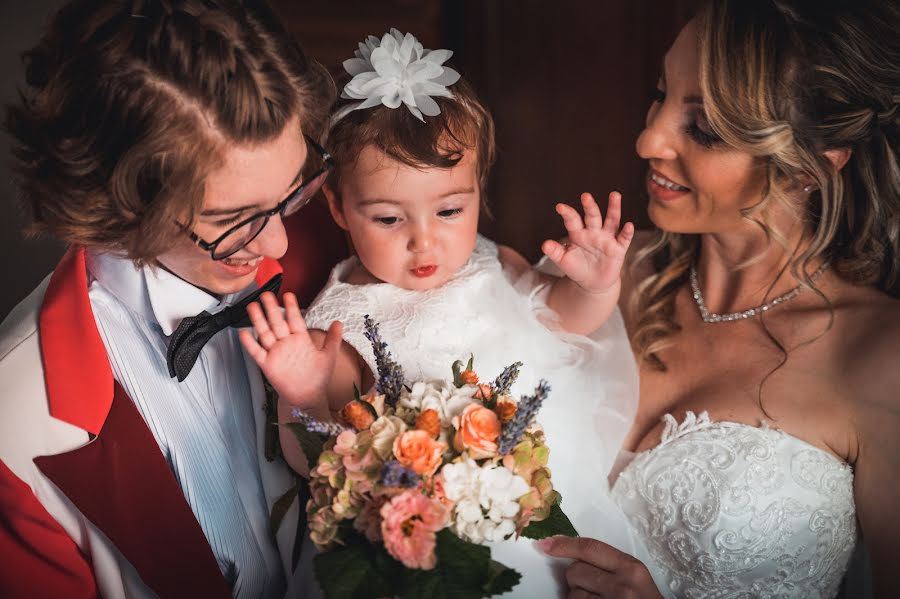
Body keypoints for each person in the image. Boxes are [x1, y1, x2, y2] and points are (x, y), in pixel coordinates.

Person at [239, 29, 642, 598]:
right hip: (438, 546)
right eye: (388, 219)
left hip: (546, 495)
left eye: (450, 210)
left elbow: (563, 319)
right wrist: (303, 397)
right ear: (338, 207)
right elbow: (326, 461)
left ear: (478, 189)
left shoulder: (490, 259)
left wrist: (597, 287)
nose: (423, 243)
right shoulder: (342, 325)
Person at [537, 0, 900, 597]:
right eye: (660, 94)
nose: (648, 139)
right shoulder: (585, 280)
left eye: (704, 128)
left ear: (810, 166)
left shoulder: (878, 356)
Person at [0, 0, 343, 597]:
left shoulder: (337, 254)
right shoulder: (16, 425)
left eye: (292, 192)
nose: (279, 241)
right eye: (234, 219)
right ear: (123, 203)